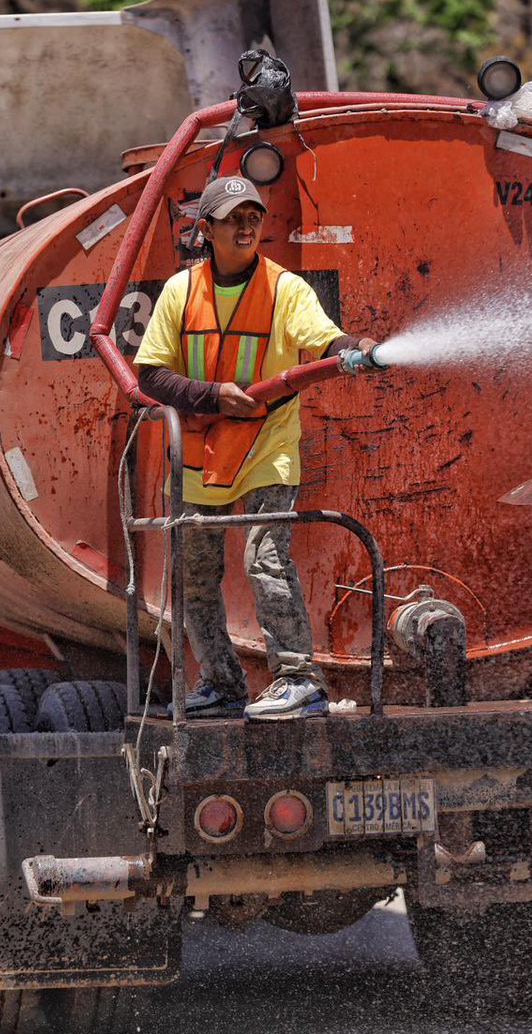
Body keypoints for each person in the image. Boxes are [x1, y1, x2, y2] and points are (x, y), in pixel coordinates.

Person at [135, 175, 376, 720]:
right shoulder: (181, 291)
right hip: (199, 452)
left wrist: (354, 347)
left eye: (254, 217)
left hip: (267, 444)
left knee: (265, 557)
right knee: (196, 574)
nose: (246, 227)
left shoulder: (285, 289)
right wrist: (214, 396)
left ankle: (298, 679)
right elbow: (151, 375)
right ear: (206, 229)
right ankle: (222, 684)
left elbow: (324, 340)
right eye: (233, 219)